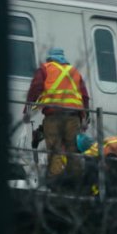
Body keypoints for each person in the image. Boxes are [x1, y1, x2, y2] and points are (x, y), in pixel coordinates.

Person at [24, 48, 90, 187]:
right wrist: (85, 118)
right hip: (73, 118)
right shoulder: (74, 72)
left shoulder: (45, 68)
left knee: (55, 151)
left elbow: (35, 88)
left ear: (50, 58)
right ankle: (76, 185)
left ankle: (55, 184)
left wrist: (28, 111)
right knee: (74, 151)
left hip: (53, 116)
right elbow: (84, 96)